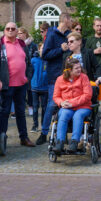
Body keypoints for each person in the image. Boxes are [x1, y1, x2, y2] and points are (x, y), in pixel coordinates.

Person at [0, 22, 34, 149]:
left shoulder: (21, 44)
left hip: (21, 84)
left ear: (16, 31)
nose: (10, 30)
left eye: (13, 29)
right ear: (4, 31)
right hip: (6, 85)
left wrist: (28, 78)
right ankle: (2, 139)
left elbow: (29, 63)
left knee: (20, 112)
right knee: (4, 112)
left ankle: (24, 138)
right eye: (7, 28)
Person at [35, 14, 72, 145]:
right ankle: (44, 133)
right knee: (51, 105)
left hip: (68, 75)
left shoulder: (69, 35)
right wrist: (60, 50)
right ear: (65, 20)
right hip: (54, 76)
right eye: (70, 19)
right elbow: (45, 55)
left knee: (67, 104)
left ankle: (63, 134)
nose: (71, 22)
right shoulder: (51, 34)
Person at [52, 57, 93, 153]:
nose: (79, 69)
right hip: (66, 107)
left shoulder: (84, 77)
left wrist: (72, 103)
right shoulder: (60, 79)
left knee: (78, 115)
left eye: (80, 67)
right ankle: (60, 142)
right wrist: (61, 102)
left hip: (83, 106)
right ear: (69, 70)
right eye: (76, 68)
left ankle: (74, 142)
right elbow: (56, 96)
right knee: (63, 115)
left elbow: (87, 95)